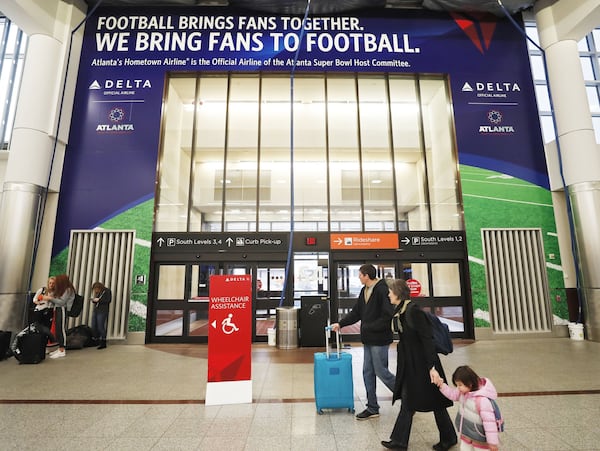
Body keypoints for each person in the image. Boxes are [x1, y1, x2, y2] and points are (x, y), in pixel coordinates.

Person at [382, 279, 457, 451]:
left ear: (398, 293)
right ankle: (399, 441)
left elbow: (427, 339)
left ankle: (449, 438)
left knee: (436, 401)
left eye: (391, 291)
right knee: (409, 400)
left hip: (424, 364)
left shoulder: (413, 312)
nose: (388, 294)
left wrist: (432, 367)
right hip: (411, 363)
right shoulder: (400, 311)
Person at [330, 264, 395, 420]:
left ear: (367, 275)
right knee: (367, 372)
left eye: (360, 275)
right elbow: (357, 312)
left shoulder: (381, 289)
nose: (358, 277)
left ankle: (408, 394)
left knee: (381, 372)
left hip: (379, 339)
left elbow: (387, 315)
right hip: (368, 339)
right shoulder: (364, 290)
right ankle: (372, 407)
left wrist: (369, 326)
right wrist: (341, 324)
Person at [433, 366, 500, 451]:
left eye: (460, 385)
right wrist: (441, 385)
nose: (458, 387)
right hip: (466, 433)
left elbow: (490, 423)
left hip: (479, 437)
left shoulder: (482, 401)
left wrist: (492, 442)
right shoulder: (463, 392)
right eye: (457, 385)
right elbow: (452, 394)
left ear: (470, 383)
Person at [41, 274, 75, 359]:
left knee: (61, 329)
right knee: (57, 329)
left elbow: (61, 302)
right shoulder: (62, 290)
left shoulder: (68, 290)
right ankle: (60, 348)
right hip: (58, 309)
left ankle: (62, 350)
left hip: (63, 309)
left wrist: (49, 298)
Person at [90, 281, 111, 349]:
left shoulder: (107, 291)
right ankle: (96, 339)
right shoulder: (99, 293)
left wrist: (99, 300)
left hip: (102, 311)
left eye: (96, 289)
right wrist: (94, 300)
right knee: (94, 325)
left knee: (100, 326)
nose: (96, 290)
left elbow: (108, 300)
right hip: (96, 310)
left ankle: (103, 342)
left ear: (100, 287)